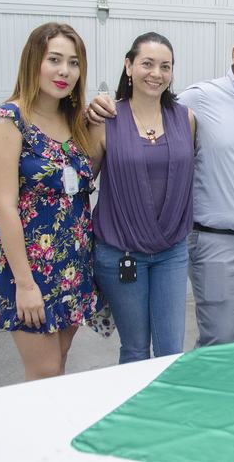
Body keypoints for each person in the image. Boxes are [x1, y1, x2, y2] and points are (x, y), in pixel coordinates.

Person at [88, 17, 234, 346]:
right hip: (218, 243)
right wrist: (102, 107)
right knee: (220, 340)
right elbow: (146, 108)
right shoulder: (198, 99)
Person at [0, 22, 98, 380]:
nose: (65, 71)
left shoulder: (75, 120)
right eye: (55, 60)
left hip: (74, 260)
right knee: (44, 370)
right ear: (34, 62)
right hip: (30, 267)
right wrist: (26, 285)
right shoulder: (9, 121)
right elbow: (4, 207)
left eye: (74, 63)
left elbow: (87, 176)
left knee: (59, 362)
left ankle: (53, 434)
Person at [89, 32, 194, 363]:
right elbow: (83, 180)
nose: (156, 73)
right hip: (121, 253)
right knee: (134, 347)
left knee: (170, 348)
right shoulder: (105, 121)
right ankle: (134, 413)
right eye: (147, 64)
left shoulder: (185, 119)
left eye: (165, 66)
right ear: (129, 66)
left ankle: (165, 413)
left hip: (172, 251)